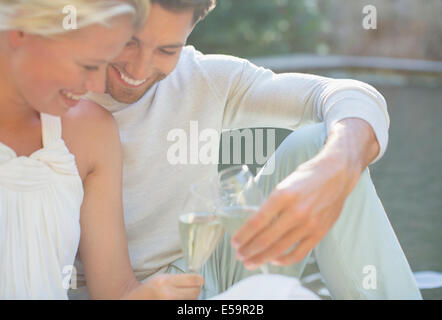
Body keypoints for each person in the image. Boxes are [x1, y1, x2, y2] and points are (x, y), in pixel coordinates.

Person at [70, 0, 422, 299]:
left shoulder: (205, 80)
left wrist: (335, 167)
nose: (140, 67)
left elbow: (350, 96)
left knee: (318, 143)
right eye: (130, 42)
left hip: (210, 268)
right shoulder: (56, 91)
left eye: (167, 49)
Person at [0, 0, 203, 300]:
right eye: (86, 63)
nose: (95, 84)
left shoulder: (90, 129)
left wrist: (152, 296)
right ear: (22, 31)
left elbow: (115, 293)